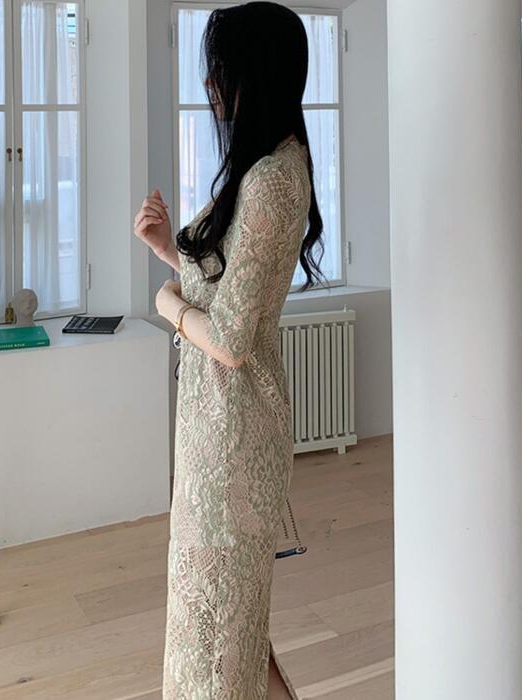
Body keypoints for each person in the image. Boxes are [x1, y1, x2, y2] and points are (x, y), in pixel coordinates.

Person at [134, 2, 325, 696]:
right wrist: (169, 252)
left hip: (232, 432)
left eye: (220, 71)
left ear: (254, 73)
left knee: (215, 632)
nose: (211, 87)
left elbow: (233, 340)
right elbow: (231, 291)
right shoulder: (270, 168)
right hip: (219, 425)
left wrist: (168, 306)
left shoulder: (272, 180)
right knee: (235, 624)